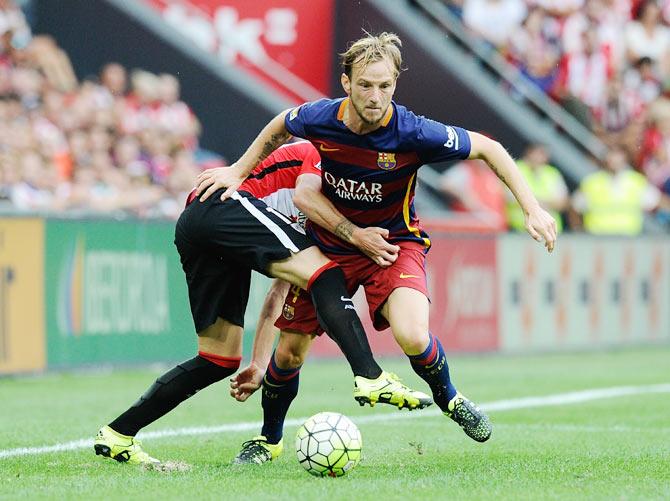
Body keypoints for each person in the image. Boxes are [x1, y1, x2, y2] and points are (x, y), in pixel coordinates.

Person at [195, 32, 557, 463]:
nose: (375, 95)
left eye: (385, 86)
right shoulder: (320, 119)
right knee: (289, 353)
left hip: (393, 245)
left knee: (412, 333)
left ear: (395, 85)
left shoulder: (413, 131)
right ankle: (268, 440)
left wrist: (532, 208)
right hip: (331, 248)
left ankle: (451, 398)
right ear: (346, 83)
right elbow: (280, 125)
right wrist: (238, 170)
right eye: (365, 84)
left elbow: (489, 148)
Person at [93, 141, 431, 466]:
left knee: (218, 359)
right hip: (222, 203)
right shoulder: (326, 157)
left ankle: (118, 434)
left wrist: (258, 363)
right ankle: (370, 375)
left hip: (200, 227)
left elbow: (278, 294)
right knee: (327, 274)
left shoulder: (320, 207)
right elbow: (304, 201)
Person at [572, 146, 667, 235]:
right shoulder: (592, 182)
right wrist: (578, 232)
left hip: (628, 241)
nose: (615, 161)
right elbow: (574, 207)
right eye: (612, 156)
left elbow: (658, 202)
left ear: (625, 159)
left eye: (618, 157)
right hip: (598, 240)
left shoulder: (637, 182)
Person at [506, 143, 568, 233]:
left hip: (550, 230)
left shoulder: (552, 173)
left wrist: (534, 202)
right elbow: (510, 198)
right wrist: (543, 204)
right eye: (538, 153)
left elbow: (563, 202)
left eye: (544, 155)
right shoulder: (515, 168)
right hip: (521, 230)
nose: (541, 158)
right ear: (529, 153)